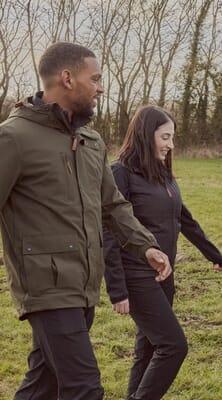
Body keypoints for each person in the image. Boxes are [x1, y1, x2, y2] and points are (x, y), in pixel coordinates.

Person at [0, 42, 171, 400]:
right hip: (46, 288)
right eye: (94, 79)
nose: (100, 87)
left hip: (85, 284)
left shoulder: (90, 141)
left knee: (44, 385)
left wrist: (145, 246)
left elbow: (113, 205)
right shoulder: (14, 138)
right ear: (67, 78)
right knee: (84, 388)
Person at [103, 105, 222, 400]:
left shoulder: (162, 172)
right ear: (146, 135)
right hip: (136, 274)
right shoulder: (120, 173)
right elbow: (107, 231)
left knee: (148, 347)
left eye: (172, 137)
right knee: (173, 346)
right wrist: (117, 289)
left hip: (164, 273)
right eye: (165, 137)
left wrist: (211, 252)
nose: (171, 145)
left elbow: (182, 217)